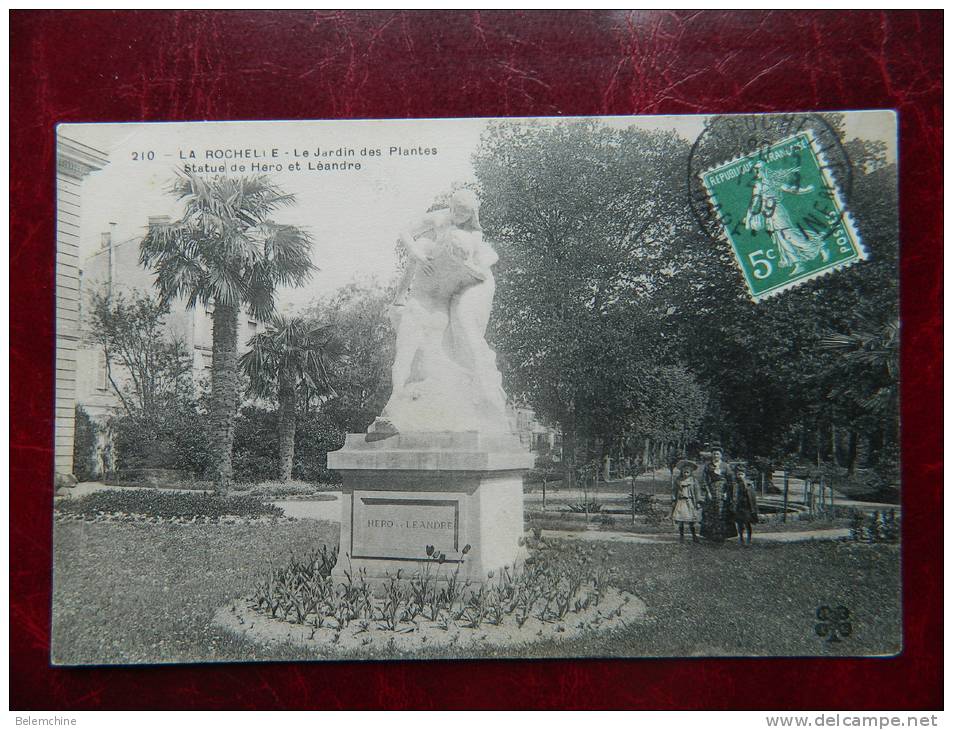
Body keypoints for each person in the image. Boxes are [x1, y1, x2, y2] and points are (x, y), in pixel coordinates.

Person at [744, 160, 830, 276]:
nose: (756, 172)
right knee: (782, 238)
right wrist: (749, 216)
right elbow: (754, 202)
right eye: (756, 170)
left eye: (758, 170)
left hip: (778, 211)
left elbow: (790, 189)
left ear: (764, 170)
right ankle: (798, 263)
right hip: (768, 215)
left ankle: (820, 246)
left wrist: (806, 190)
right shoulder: (758, 185)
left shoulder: (774, 182)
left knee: (789, 234)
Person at [701, 447, 737, 543]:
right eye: (714, 454)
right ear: (711, 455)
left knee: (721, 513)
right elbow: (704, 480)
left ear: (721, 455)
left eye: (717, 454)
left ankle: (722, 535)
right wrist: (708, 492)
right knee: (711, 513)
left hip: (723, 491)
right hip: (712, 491)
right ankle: (710, 535)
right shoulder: (708, 466)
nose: (715, 456)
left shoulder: (725, 466)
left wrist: (727, 492)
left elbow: (731, 481)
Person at [671, 460, 707, 543]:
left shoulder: (693, 481)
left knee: (691, 521)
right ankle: (681, 536)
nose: (686, 474)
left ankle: (694, 536)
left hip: (690, 501)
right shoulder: (678, 480)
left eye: (687, 472)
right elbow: (674, 490)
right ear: (682, 472)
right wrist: (673, 499)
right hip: (681, 501)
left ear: (690, 472)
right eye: (684, 472)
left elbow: (697, 491)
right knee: (681, 520)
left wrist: (698, 502)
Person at [730, 465, 760, 545]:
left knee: (747, 522)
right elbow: (732, 495)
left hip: (747, 506)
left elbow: (752, 497)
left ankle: (749, 539)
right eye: (738, 474)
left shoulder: (749, 484)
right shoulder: (734, 484)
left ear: (745, 475)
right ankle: (741, 538)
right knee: (739, 523)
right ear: (736, 475)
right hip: (738, 506)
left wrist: (754, 508)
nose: (740, 476)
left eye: (742, 474)